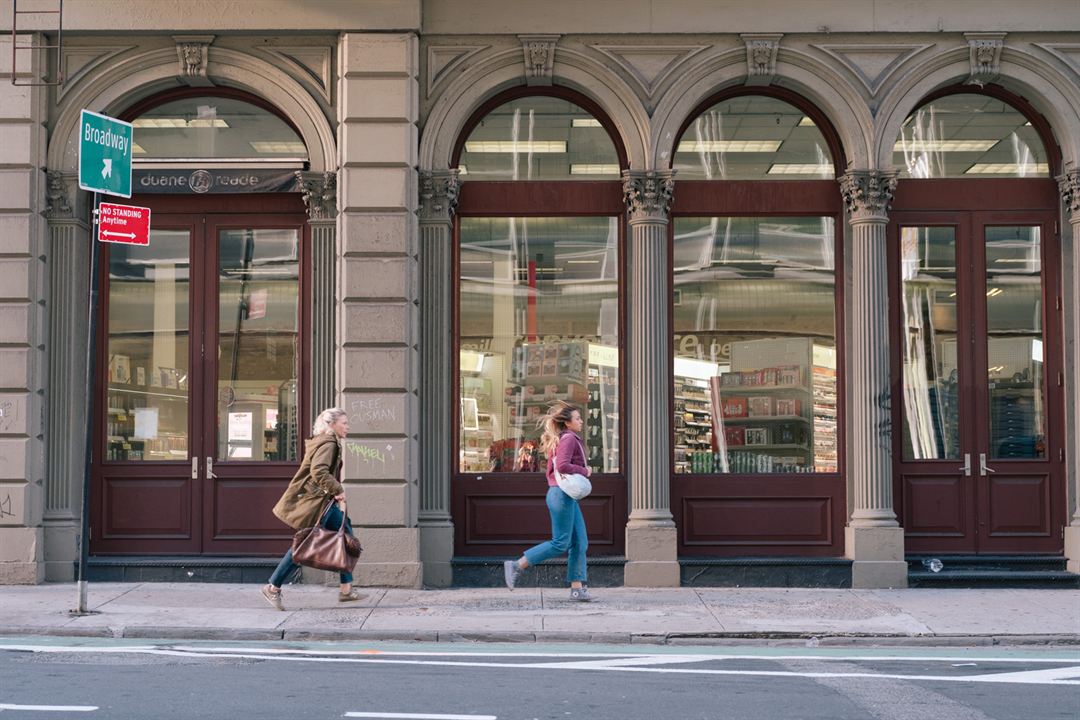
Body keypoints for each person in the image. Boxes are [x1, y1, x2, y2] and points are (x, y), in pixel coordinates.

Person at [261, 407, 363, 610]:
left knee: (345, 533)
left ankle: (346, 589)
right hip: (317, 502)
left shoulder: (327, 441)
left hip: (321, 500)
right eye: (344, 422)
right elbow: (319, 471)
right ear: (332, 424)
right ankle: (273, 587)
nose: (347, 426)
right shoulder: (329, 443)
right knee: (306, 544)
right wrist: (337, 489)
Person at [503, 401, 592, 601]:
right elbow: (562, 465)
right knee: (561, 543)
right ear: (567, 423)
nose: (581, 422)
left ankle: (577, 589)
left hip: (563, 495)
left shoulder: (563, 438)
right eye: (577, 418)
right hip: (560, 495)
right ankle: (517, 565)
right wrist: (585, 471)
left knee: (580, 542)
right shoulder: (569, 439)